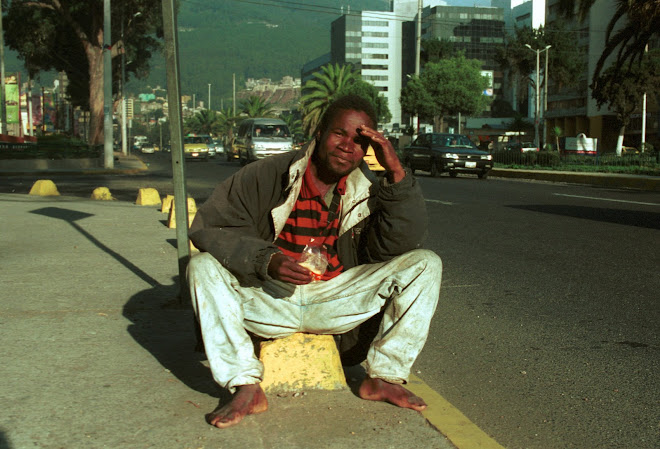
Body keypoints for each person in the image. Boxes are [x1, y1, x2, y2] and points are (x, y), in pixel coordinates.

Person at [187, 95, 442, 429]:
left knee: (426, 263)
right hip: (270, 297)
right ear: (319, 133)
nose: (347, 146)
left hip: (335, 301)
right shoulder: (265, 174)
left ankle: (384, 377)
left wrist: (395, 172)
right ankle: (246, 386)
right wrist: (268, 260)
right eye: (340, 134)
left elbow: (398, 248)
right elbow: (212, 228)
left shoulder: (371, 189)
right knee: (201, 266)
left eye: (360, 141)